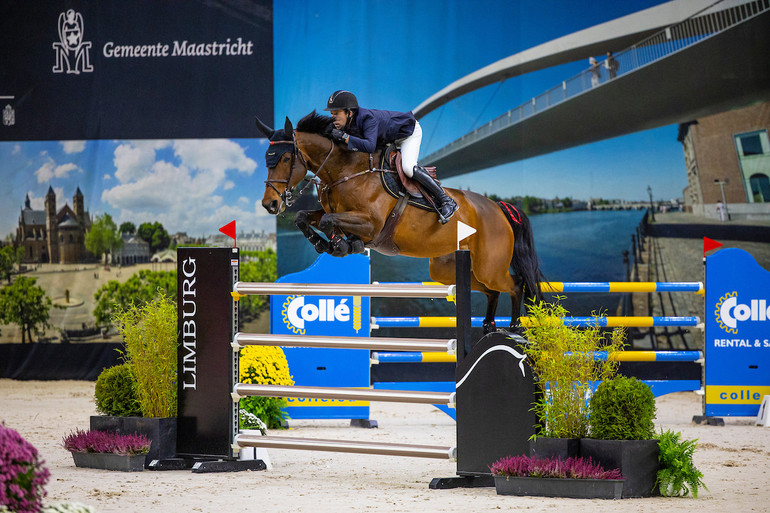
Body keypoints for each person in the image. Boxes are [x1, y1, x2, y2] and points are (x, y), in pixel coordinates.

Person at [323, 90, 458, 224]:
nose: (333, 117)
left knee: (408, 168)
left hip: (407, 134)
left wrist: (345, 137)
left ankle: (446, 200)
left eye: (336, 113)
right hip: (388, 139)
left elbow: (369, 146)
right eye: (331, 114)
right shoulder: (345, 121)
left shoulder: (368, 119)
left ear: (349, 112)